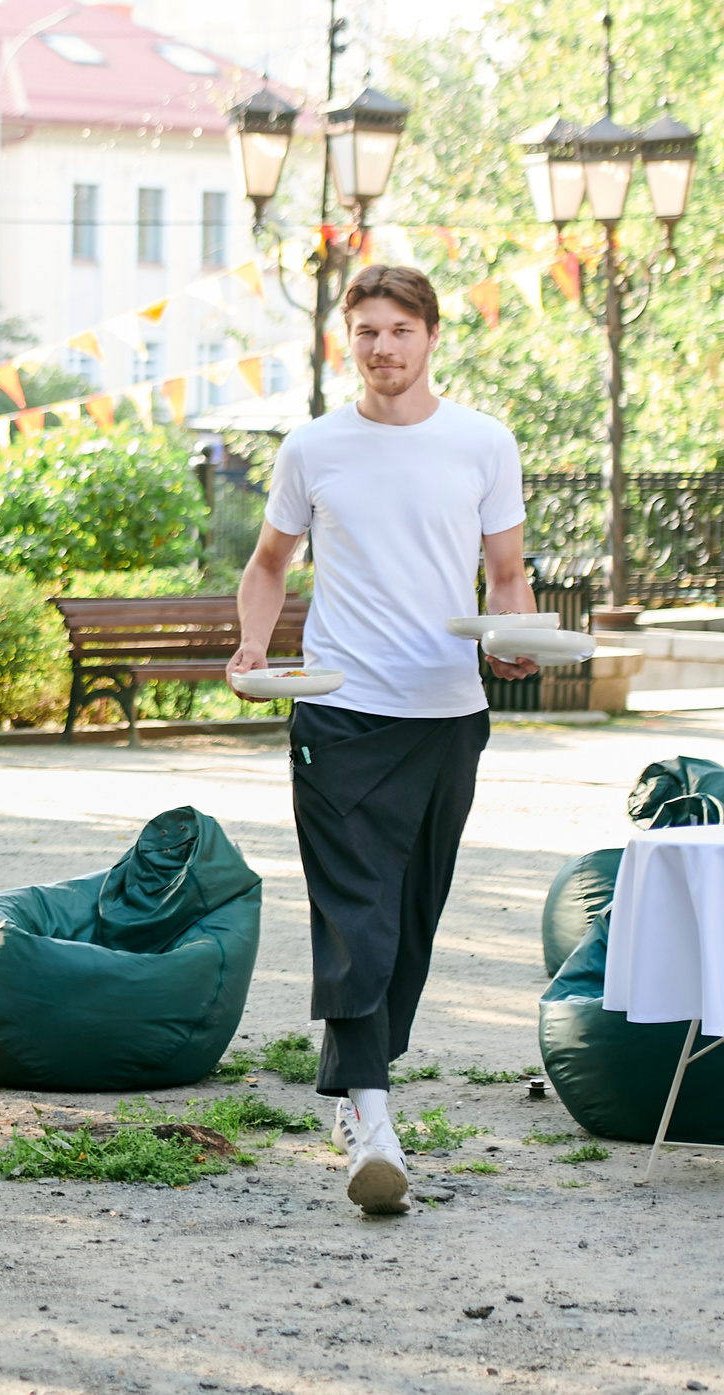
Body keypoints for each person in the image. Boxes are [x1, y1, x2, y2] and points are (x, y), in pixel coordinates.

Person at [228, 264, 536, 1215]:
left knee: (409, 919)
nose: (382, 347)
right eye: (365, 330)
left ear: (431, 336)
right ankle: (374, 1114)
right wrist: (252, 642)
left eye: (400, 329)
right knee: (353, 912)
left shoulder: (483, 443)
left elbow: (508, 574)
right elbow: (269, 563)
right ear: (345, 341)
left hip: (446, 712)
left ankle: (358, 1082)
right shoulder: (314, 448)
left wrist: (515, 641)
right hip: (339, 710)